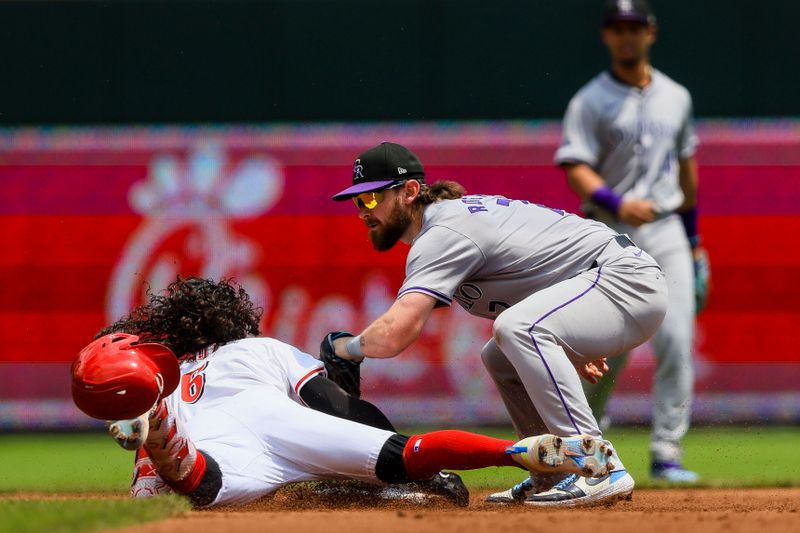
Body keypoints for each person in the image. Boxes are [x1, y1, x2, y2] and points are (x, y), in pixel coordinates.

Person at [71, 277, 616, 508]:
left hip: (204, 448)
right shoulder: (258, 347)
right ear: (232, 318)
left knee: (198, 481)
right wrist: (389, 442)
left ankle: (158, 428)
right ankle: (519, 452)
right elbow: (334, 405)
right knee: (407, 456)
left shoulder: (170, 368)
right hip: (275, 422)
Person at [328, 141, 668, 506]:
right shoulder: (446, 225)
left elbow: (397, 333)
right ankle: (555, 470)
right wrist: (569, 331)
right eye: (358, 202)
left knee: (518, 328)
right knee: (499, 354)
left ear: (410, 191)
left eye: (373, 198)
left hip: (624, 279)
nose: (364, 211)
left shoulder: (443, 233)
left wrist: (345, 348)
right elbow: (540, 267)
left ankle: (598, 465)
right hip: (602, 285)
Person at [554, 0, 709, 483]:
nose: (627, 36)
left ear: (651, 33)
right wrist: (616, 202)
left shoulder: (676, 96)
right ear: (606, 36)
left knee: (677, 341)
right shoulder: (589, 100)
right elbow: (575, 165)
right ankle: (590, 440)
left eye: (634, 28)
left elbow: (686, 172)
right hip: (609, 233)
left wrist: (694, 239)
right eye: (618, 28)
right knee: (604, 350)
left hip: (665, 230)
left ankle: (666, 452)